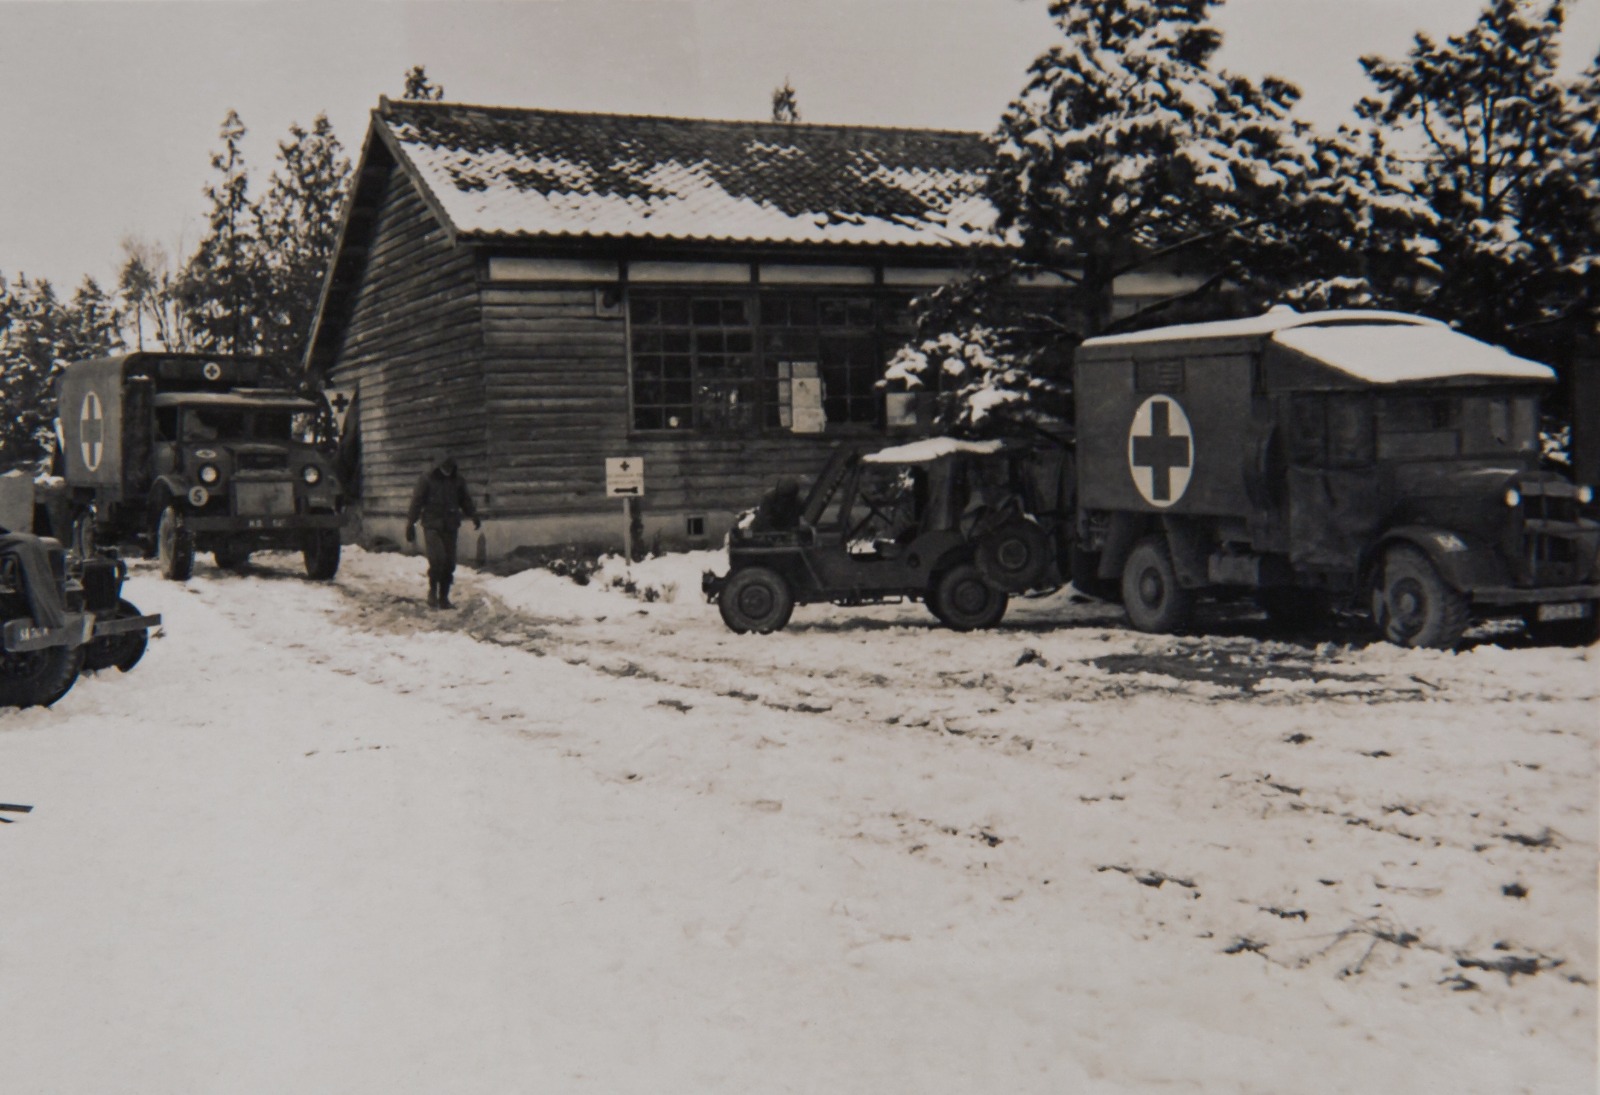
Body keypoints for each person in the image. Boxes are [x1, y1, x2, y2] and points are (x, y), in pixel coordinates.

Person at [405, 454, 481, 609]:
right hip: (432, 525)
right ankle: (432, 592)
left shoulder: (457, 481)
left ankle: (444, 598)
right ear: (438, 467)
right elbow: (417, 502)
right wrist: (410, 523)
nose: (447, 471)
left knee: (449, 563)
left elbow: (465, 500)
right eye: (444, 468)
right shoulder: (426, 480)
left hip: (451, 526)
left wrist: (473, 515)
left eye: (450, 468)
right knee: (437, 559)